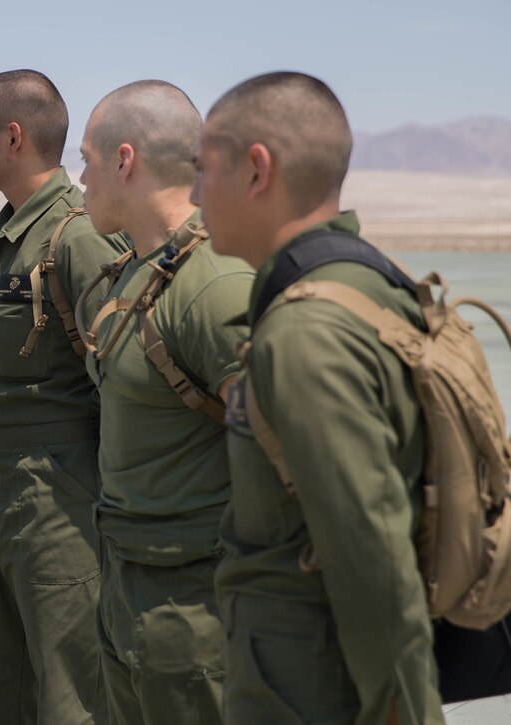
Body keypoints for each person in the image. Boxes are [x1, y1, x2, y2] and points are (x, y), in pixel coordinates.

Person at [191, 71, 444, 724]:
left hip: (311, 692)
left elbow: (373, 558)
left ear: (256, 170)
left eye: (202, 170)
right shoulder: (359, 284)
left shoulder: (307, 332)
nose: (194, 194)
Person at [77, 81, 253, 724]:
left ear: (125, 160)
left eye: (87, 161)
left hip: (197, 612)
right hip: (129, 586)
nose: (82, 179)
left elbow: (297, 464)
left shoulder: (216, 285)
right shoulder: (136, 271)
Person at [0, 69, 128, 724]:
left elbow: (121, 383)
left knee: (70, 695)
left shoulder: (75, 238)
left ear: (13, 135)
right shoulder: (9, 241)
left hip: (60, 506)